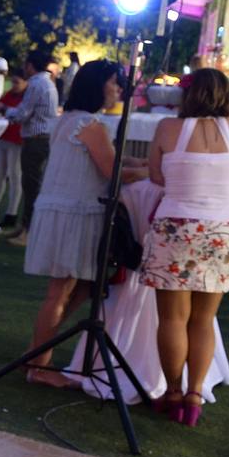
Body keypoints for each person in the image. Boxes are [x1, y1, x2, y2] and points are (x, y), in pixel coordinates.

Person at [21, 60, 148, 389]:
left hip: (63, 209)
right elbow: (113, 171)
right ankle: (39, 365)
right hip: (73, 212)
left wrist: (145, 163)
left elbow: (115, 158)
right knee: (60, 291)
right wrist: (154, 172)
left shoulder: (71, 121)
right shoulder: (89, 124)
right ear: (97, 86)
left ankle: (38, 348)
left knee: (83, 286)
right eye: (113, 83)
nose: (118, 90)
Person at [140, 69, 229, 425]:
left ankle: (172, 391)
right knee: (203, 319)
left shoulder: (169, 128)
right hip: (224, 229)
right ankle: (195, 395)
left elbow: (156, 176)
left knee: (172, 317)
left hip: (176, 227)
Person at [0, 51, 60, 245]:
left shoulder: (36, 84)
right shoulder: (48, 83)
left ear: (31, 66)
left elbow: (23, 114)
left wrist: (4, 109)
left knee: (32, 186)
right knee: (30, 184)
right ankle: (24, 227)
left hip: (36, 139)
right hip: (43, 138)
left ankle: (29, 232)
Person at [0, 72, 28, 228]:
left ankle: (11, 212)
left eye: (17, 83)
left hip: (16, 138)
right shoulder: (10, 95)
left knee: (14, 175)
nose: (14, 86)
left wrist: (3, 107)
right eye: (13, 83)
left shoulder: (26, 97)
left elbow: (19, 113)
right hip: (5, 136)